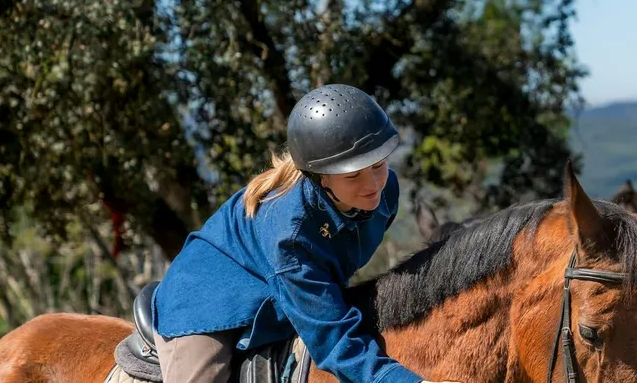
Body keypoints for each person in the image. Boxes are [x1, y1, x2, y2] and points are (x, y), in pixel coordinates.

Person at [150, 84, 456, 383]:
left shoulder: (386, 193)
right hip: (207, 297)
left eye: (378, 165)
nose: (373, 184)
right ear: (320, 178)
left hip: (280, 282)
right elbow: (334, 343)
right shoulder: (291, 234)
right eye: (353, 175)